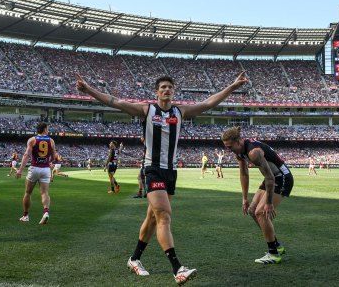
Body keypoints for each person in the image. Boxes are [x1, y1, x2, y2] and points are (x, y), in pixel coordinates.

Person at [76, 72, 247, 285]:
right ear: (157, 92)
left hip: (171, 171)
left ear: (173, 92)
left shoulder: (180, 111)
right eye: (163, 87)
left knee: (153, 218)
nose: (166, 90)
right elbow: (115, 101)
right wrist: (88, 90)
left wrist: (232, 86)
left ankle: (134, 259)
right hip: (153, 169)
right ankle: (178, 269)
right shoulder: (146, 110)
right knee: (164, 215)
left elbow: (208, 102)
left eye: (170, 87)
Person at [221, 126, 293, 264]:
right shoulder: (239, 153)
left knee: (261, 212)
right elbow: (243, 174)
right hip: (271, 178)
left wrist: (269, 203)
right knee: (252, 210)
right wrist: (244, 199)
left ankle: (273, 254)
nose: (228, 150)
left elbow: (271, 178)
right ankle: (277, 246)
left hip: (282, 177)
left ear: (238, 141)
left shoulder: (254, 152)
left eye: (230, 147)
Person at [16, 122, 57, 224]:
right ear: (44, 130)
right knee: (45, 193)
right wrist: (49, 162)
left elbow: (26, 155)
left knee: (28, 192)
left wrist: (20, 170)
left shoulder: (32, 140)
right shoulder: (51, 140)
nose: (48, 130)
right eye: (47, 129)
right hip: (46, 169)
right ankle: (46, 212)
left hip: (34, 168)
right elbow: (53, 156)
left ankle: (25, 216)